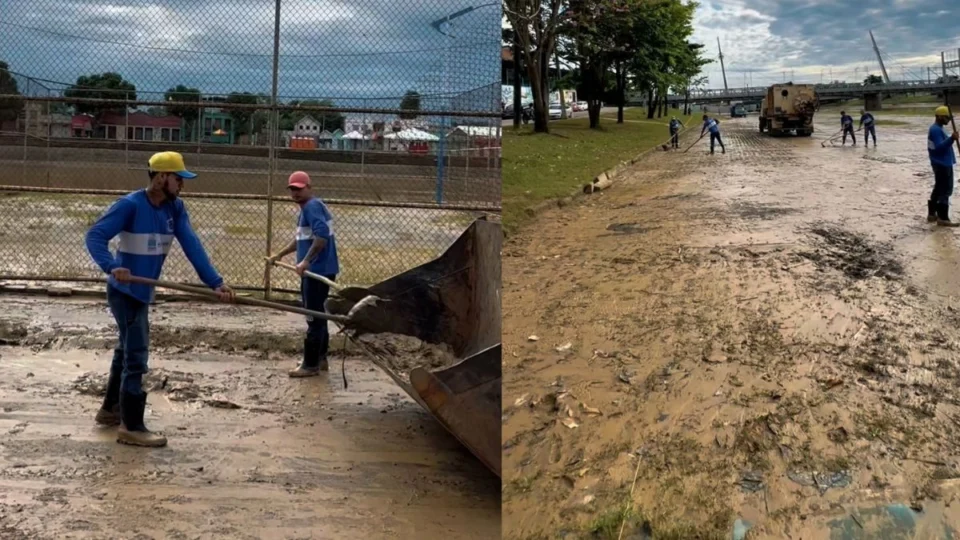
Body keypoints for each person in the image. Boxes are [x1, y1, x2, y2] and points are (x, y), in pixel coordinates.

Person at [85, 151, 235, 447]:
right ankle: (132, 427)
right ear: (161, 178)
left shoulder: (175, 209)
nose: (182, 184)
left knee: (125, 349)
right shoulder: (129, 206)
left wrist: (216, 283)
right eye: (178, 178)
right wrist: (112, 266)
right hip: (125, 290)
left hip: (142, 290)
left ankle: (110, 410)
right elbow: (95, 236)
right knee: (136, 355)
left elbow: (192, 245)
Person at [266, 171, 340, 377]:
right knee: (319, 315)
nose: (295, 193)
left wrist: (306, 262)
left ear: (309, 187)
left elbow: (321, 237)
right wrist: (279, 255)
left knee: (312, 317)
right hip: (322, 269)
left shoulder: (311, 207)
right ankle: (320, 359)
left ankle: (310, 365)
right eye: (292, 189)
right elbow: (301, 239)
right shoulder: (308, 208)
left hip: (317, 271)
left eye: (299, 189)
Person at [927, 105, 960, 226]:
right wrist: (952, 138)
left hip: (940, 162)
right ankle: (943, 218)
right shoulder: (936, 130)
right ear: (940, 117)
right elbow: (939, 147)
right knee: (946, 190)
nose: (949, 120)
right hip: (942, 163)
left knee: (939, 187)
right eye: (947, 118)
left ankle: (932, 214)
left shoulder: (939, 128)